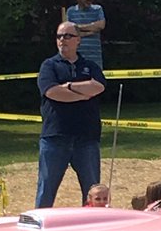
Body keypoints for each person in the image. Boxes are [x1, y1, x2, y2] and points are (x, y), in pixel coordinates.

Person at [35, 21, 107, 208]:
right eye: (59, 36)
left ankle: (92, 228)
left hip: (87, 138)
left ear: (78, 40)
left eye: (67, 36)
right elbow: (52, 93)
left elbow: (98, 86)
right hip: (55, 137)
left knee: (93, 193)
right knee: (46, 191)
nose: (62, 40)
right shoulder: (48, 66)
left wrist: (68, 86)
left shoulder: (90, 66)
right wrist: (83, 93)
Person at [65, 0, 106, 70]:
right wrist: (92, 30)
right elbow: (69, 31)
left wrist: (79, 28)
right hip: (76, 57)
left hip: (95, 58)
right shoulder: (70, 11)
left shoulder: (98, 9)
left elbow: (101, 25)